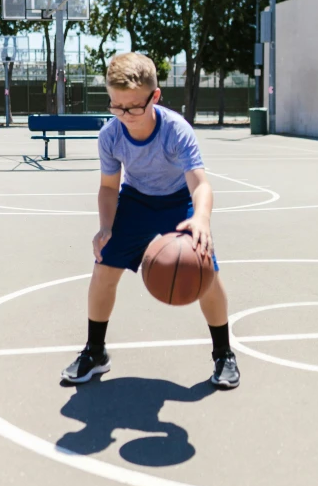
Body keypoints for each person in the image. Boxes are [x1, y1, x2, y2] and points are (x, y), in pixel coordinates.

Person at [61, 53, 240, 390]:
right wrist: (105, 228)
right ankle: (95, 352)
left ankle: (223, 354)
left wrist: (201, 219)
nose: (124, 115)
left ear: (155, 96)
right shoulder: (111, 135)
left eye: (133, 107)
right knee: (103, 269)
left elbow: (200, 184)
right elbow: (108, 188)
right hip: (136, 200)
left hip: (178, 200)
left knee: (207, 272)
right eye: (116, 106)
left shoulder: (175, 131)